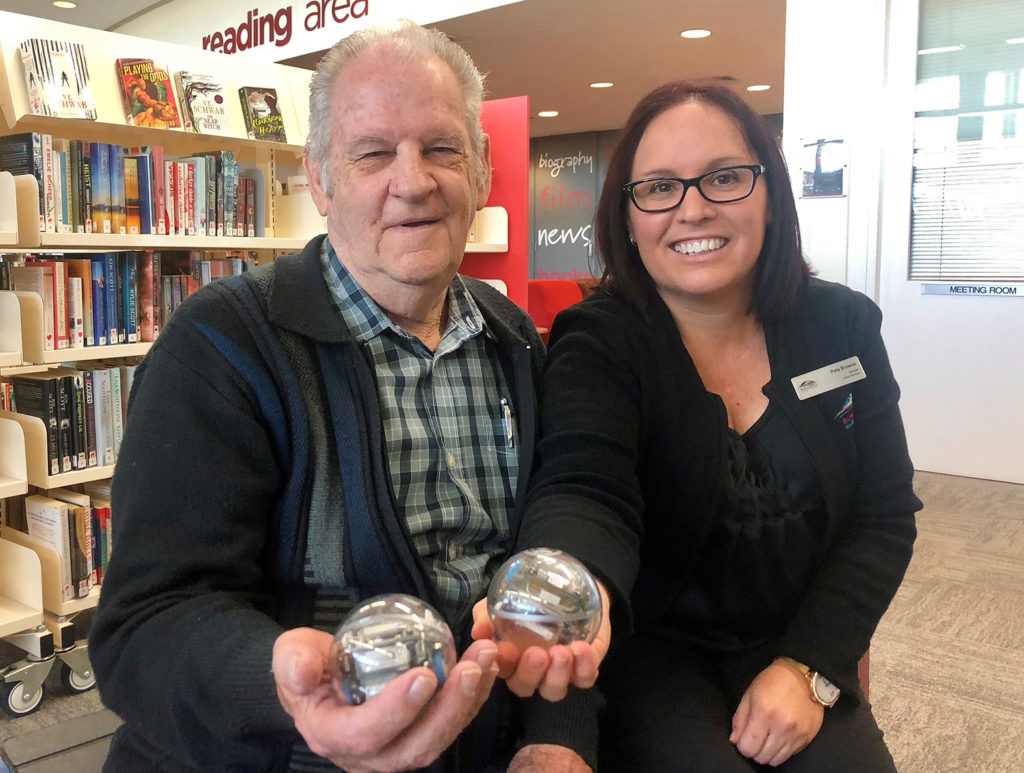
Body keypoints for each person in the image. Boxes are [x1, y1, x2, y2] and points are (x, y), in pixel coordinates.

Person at [89, 20, 600, 773]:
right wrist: (281, 685)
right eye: (372, 154)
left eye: (441, 148)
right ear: (320, 181)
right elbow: (142, 626)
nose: (414, 181)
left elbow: (548, 553)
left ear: (483, 170)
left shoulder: (515, 339)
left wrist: (555, 733)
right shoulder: (223, 345)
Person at [513, 80, 922, 771]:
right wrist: (569, 599)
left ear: (770, 193)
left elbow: (884, 514)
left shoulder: (842, 325)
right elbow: (584, 492)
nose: (692, 209)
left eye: (725, 178)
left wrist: (810, 668)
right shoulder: (599, 339)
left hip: (800, 633)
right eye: (659, 188)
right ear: (629, 214)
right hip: (654, 653)